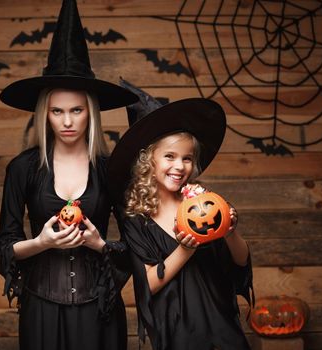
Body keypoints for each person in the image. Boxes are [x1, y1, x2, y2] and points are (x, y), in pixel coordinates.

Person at [0, 1, 138, 350]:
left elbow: (135, 248)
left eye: (76, 110)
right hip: (40, 309)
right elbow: (5, 244)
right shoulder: (23, 168)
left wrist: (98, 244)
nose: (68, 121)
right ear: (46, 114)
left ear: (91, 113)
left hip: (100, 310)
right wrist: (42, 243)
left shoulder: (111, 170)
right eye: (57, 111)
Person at [108, 80, 254, 350]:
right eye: (170, 156)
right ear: (148, 160)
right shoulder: (136, 219)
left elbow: (240, 260)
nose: (179, 166)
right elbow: (147, 284)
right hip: (176, 331)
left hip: (221, 325)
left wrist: (231, 232)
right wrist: (185, 249)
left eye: (187, 158)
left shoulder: (203, 203)